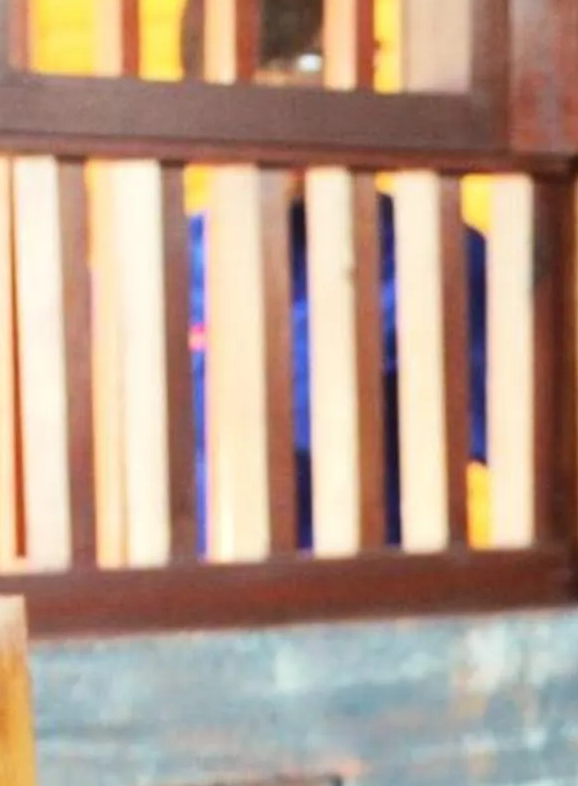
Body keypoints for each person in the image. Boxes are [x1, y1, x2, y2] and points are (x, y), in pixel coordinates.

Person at [188, 188, 491, 550]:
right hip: (190, 591)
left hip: (372, 589)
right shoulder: (161, 256)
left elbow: (516, 447)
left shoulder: (431, 253)